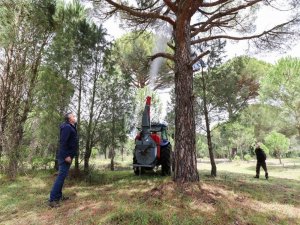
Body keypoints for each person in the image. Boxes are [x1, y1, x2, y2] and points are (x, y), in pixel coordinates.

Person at [48, 112, 78, 208]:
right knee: (61, 177)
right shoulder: (67, 127)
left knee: (62, 176)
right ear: (69, 118)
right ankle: (52, 199)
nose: (75, 117)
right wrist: (66, 156)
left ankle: (58, 197)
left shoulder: (71, 126)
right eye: (73, 116)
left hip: (68, 156)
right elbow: (63, 142)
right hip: (65, 157)